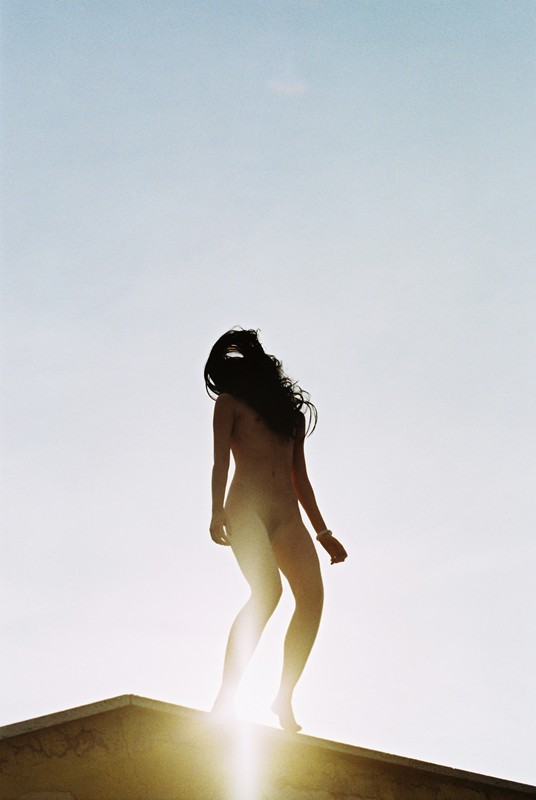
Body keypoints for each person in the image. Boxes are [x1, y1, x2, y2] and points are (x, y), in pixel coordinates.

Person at [205, 328, 347, 733]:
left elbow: (300, 477)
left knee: (312, 599)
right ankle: (226, 697)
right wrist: (217, 511)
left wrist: (323, 533)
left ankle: (284, 696)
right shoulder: (229, 404)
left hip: (288, 517)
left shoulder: (291, 417)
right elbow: (220, 462)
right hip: (246, 508)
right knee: (268, 592)